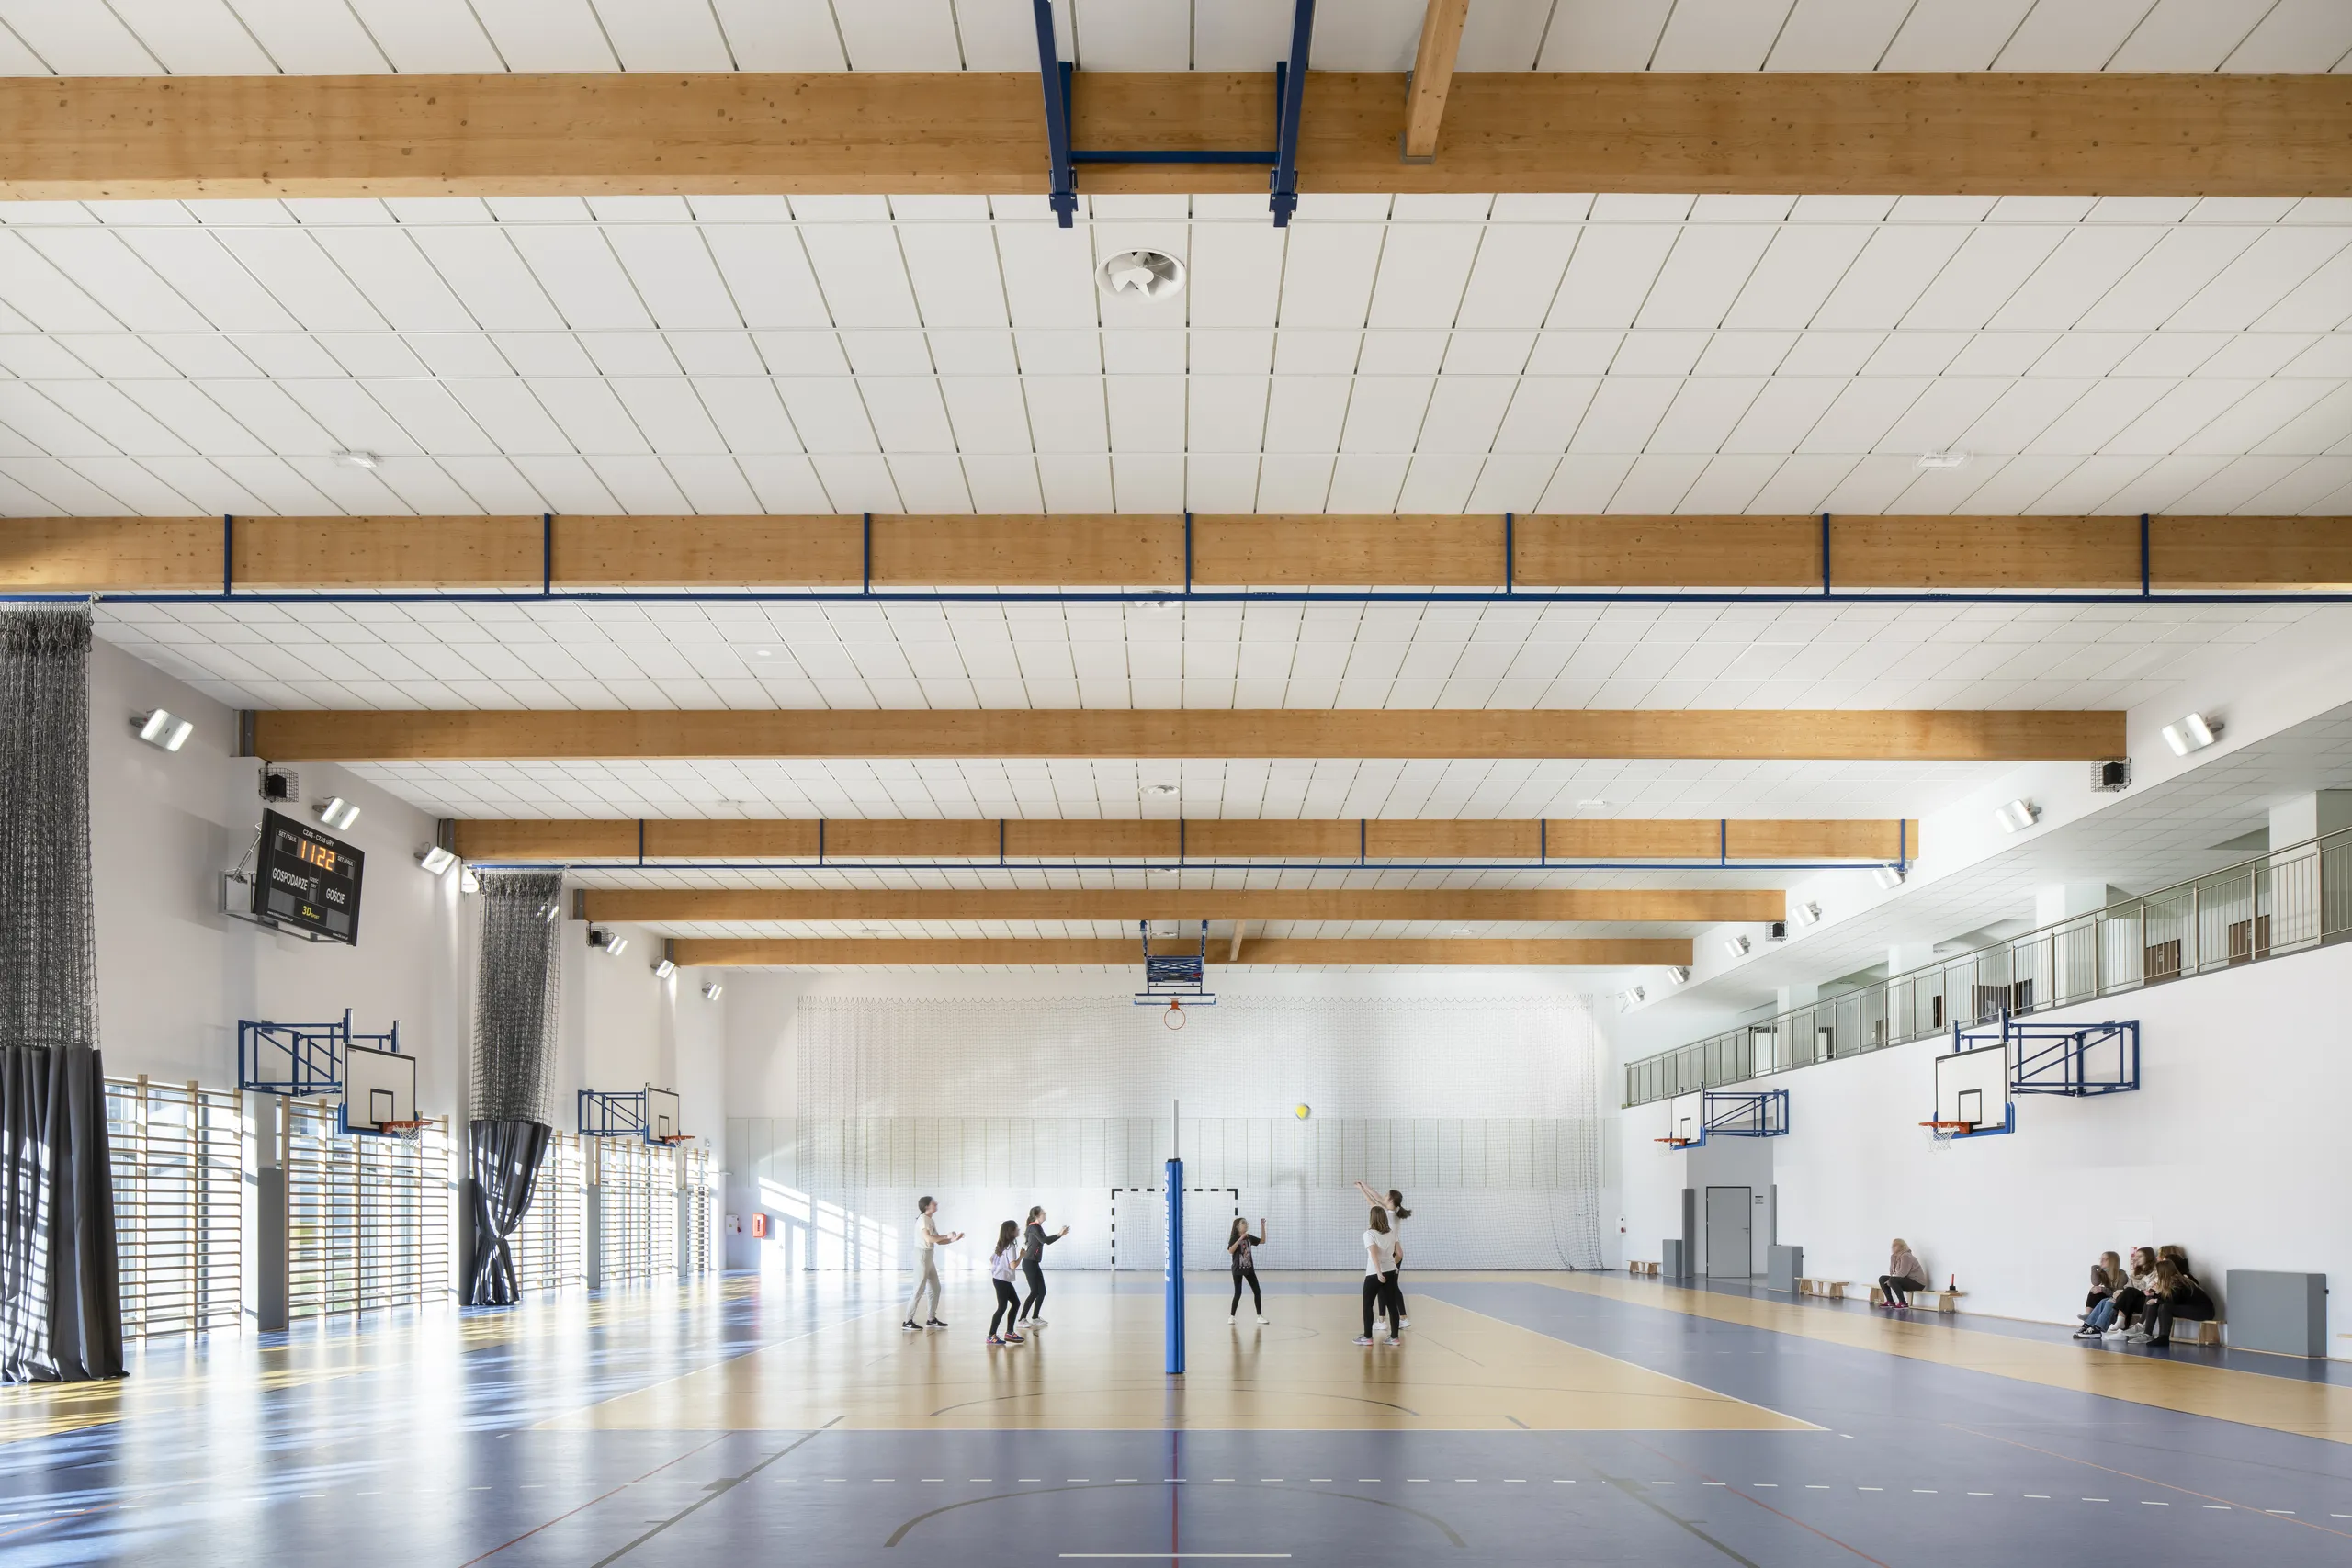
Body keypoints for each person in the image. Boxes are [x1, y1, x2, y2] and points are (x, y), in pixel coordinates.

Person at [1354, 1182, 1412, 1328]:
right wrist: (1364, 1187)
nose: (1383, 1197)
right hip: (1391, 1251)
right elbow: (1378, 1198)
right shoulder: (1394, 1211)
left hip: (1390, 1253)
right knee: (1387, 1286)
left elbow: (1373, 1203)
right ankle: (1384, 1319)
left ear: (1391, 1201)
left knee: (1388, 1287)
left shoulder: (1388, 1215)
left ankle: (1394, 1319)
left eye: (1387, 1196)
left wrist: (1362, 1190)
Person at [903, 1196, 963, 1333]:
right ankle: (907, 1321)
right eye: (933, 1202)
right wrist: (946, 1236)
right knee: (919, 1289)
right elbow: (929, 1238)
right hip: (921, 1256)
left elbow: (938, 1241)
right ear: (927, 1207)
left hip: (928, 1256)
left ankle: (931, 1319)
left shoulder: (930, 1220)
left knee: (935, 1288)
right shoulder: (923, 1219)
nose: (936, 1203)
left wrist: (953, 1240)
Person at [2132, 1258, 2214, 1346]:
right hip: (2191, 1307)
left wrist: (2156, 1299)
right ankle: (2147, 1334)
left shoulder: (2178, 1282)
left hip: (2203, 1311)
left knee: (2165, 1307)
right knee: (2156, 1301)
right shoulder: (2173, 1280)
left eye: (2157, 1272)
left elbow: (2173, 1300)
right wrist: (2155, 1295)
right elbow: (2169, 1298)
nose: (2156, 1274)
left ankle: (2163, 1338)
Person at [1015, 1205, 1068, 1329]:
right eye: (1043, 1212)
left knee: (1042, 1291)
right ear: (1038, 1215)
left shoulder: (1037, 1227)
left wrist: (1059, 1235)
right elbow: (1045, 1240)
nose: (1045, 1213)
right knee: (1034, 1291)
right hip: (1029, 1263)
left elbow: (1046, 1241)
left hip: (1034, 1263)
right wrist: (1059, 1234)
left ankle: (1035, 1317)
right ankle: (1022, 1319)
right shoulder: (1033, 1227)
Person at [1356, 1207, 1401, 1347]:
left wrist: (1379, 1272)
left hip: (1374, 1274)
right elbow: (1399, 1254)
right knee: (1392, 1305)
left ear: (1372, 1218)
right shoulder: (1392, 1233)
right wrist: (1391, 1265)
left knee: (1368, 1304)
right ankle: (1394, 1338)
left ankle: (1368, 1337)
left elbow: (1374, 1253)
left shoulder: (1369, 1234)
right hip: (1391, 1272)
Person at [2096, 1247, 2158, 1338]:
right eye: (2136, 1256)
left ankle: (2120, 1324)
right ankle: (2122, 1332)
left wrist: (2128, 1291)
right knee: (2126, 1296)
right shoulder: (2136, 1272)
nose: (2137, 1258)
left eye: (2140, 1256)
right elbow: (2128, 1286)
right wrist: (2120, 1292)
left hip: (2147, 1300)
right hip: (2134, 1299)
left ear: (2148, 1256)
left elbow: (2151, 1288)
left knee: (2128, 1293)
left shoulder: (2156, 1270)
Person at [986, 1221, 1025, 1346]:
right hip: (1002, 1280)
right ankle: (991, 1335)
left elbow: (992, 1259)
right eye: (1016, 1228)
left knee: (1016, 1303)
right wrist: (1021, 1256)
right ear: (1011, 1231)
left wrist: (1000, 1267)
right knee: (1002, 1307)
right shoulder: (1011, 1247)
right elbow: (1013, 1265)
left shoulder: (1002, 1244)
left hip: (1000, 1279)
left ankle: (1009, 1332)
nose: (1018, 1230)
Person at [2071, 1251, 2123, 1339]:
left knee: (2105, 1299)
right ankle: (2087, 1323)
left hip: (2118, 1300)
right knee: (2094, 1291)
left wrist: (2102, 1289)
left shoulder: (2122, 1275)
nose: (2101, 1261)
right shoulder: (2104, 1273)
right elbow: (2095, 1282)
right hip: (2109, 1297)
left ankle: (2096, 1329)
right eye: (2101, 1259)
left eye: (2105, 1259)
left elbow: (2119, 1294)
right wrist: (2094, 1269)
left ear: (2112, 1261)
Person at [1228, 1216, 1269, 1324]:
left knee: (1257, 1291)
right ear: (1237, 1227)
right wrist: (1240, 1239)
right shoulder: (1234, 1238)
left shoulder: (1249, 1237)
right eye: (1243, 1223)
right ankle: (1231, 1317)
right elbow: (1231, 1251)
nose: (1246, 1224)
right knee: (1238, 1293)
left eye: (1246, 1223)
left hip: (1249, 1268)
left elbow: (1263, 1241)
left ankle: (1259, 1316)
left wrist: (1263, 1226)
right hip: (1237, 1269)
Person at [1878, 1238, 1928, 1308]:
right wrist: (1892, 1259)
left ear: (1901, 1246)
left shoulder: (1906, 1256)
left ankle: (1903, 1303)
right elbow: (1892, 1272)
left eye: (1895, 1245)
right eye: (1893, 1245)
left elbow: (1902, 1273)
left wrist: (1891, 1280)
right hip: (1905, 1280)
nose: (1893, 1247)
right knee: (1882, 1278)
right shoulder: (1894, 1257)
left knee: (1892, 1280)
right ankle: (1890, 1301)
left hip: (1917, 1283)